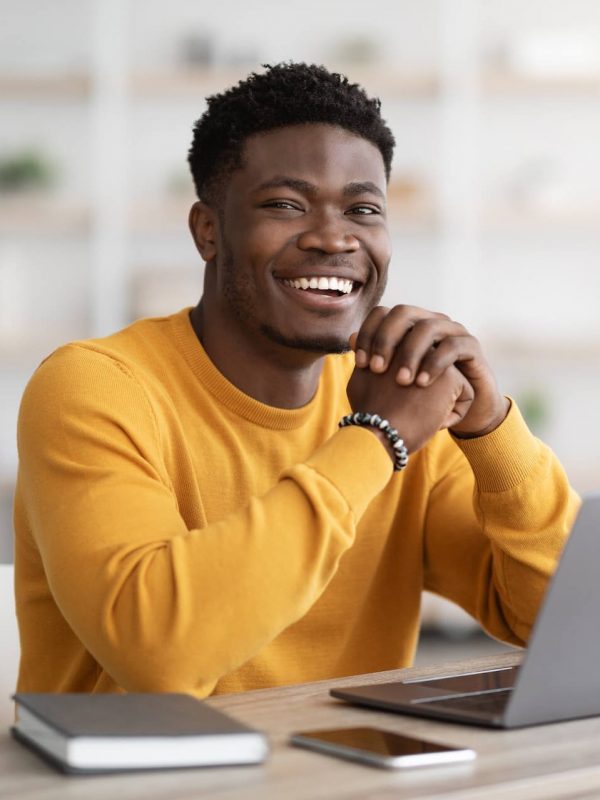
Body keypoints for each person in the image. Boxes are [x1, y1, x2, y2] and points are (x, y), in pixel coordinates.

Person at [14, 63, 578, 698]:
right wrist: (375, 438)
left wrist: (492, 431)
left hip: (345, 757)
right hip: (145, 761)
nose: (334, 239)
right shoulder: (94, 388)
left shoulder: (399, 396)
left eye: (363, 210)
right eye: (285, 205)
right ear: (207, 230)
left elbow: (565, 626)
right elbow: (160, 655)